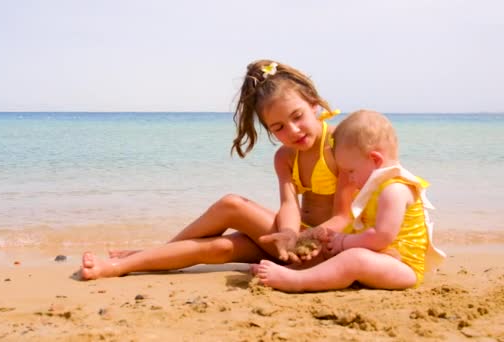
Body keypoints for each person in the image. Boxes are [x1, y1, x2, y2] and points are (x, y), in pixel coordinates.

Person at [79, 60, 355, 280]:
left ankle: (149, 254)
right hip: (291, 242)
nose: (292, 130)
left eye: (298, 117)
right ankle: (130, 264)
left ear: (314, 103)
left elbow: (344, 216)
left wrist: (300, 238)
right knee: (219, 247)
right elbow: (289, 205)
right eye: (278, 127)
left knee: (232, 205)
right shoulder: (285, 157)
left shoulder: (339, 144)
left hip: (324, 250)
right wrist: (289, 233)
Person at [254, 110, 446, 292]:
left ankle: (296, 281)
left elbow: (381, 237)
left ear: (375, 160)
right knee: (342, 253)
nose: (349, 179)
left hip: (404, 268)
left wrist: (345, 242)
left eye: (351, 171)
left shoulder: (393, 189)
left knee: (353, 258)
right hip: (385, 260)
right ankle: (297, 270)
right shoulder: (381, 186)